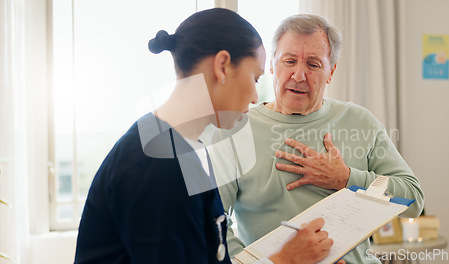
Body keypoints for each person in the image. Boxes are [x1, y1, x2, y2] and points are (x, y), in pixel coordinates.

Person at [74, 8, 336, 264]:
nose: (256, 97)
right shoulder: (156, 164)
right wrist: (285, 260)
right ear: (223, 66)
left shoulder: (187, 149)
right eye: (255, 79)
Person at [212, 14, 425, 264]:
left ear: (331, 71)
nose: (299, 75)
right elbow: (215, 224)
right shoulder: (235, 129)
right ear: (271, 66)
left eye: (313, 64)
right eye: (289, 61)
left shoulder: (360, 121)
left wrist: (346, 179)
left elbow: (413, 199)